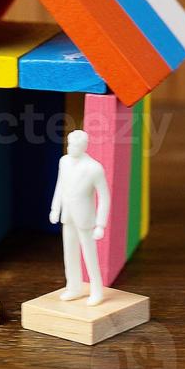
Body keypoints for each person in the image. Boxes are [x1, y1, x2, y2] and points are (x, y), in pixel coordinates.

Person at [49, 129, 110, 306]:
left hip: (85, 218)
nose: (70, 148)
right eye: (69, 144)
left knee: (90, 255)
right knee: (70, 253)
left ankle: (96, 290)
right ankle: (74, 287)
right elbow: (60, 185)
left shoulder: (94, 168)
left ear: (84, 147)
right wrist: (55, 208)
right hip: (68, 215)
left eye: (74, 145)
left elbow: (104, 196)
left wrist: (100, 224)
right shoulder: (64, 161)